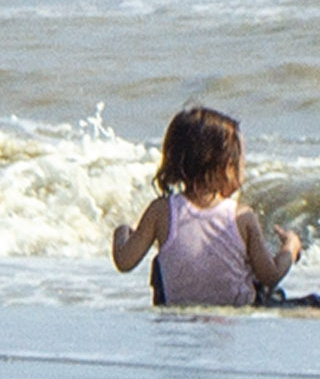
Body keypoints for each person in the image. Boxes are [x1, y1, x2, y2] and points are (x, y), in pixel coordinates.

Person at [111, 105, 297, 306]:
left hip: (180, 311)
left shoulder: (162, 211)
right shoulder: (242, 216)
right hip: (236, 312)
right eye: (241, 164)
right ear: (225, 167)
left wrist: (121, 232)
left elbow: (124, 261)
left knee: (160, 263)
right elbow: (270, 275)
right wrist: (291, 246)